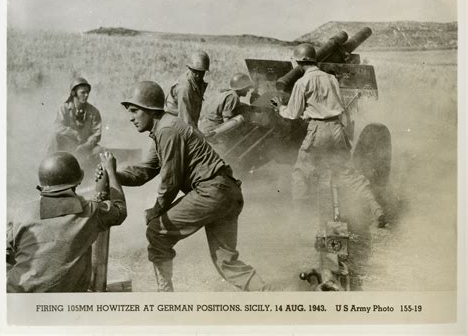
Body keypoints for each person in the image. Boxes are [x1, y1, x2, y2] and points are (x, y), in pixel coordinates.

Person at [108, 80, 270, 292]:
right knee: (226, 262)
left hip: (211, 191)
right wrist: (114, 174)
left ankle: (165, 297)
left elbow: (170, 180)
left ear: (149, 110)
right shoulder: (165, 129)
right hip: (227, 192)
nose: (131, 117)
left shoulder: (167, 129)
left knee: (157, 231)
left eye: (134, 111)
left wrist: (157, 210)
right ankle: (267, 294)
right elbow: (146, 171)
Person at [271, 43, 385, 227]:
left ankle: (297, 220)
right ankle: (376, 209)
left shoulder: (302, 82)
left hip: (317, 130)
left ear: (299, 63)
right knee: (349, 174)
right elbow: (334, 104)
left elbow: (292, 114)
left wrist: (280, 108)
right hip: (336, 128)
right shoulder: (331, 78)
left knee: (301, 173)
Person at [6, 151, 127, 292]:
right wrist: (111, 172)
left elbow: (6, 253)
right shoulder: (90, 211)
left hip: (17, 295)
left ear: (42, 183)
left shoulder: (22, 212)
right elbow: (120, 210)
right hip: (66, 300)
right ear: (80, 179)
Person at [48, 77, 103, 164]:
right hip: (68, 145)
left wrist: (86, 145)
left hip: (86, 146)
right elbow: (57, 127)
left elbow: (97, 134)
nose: (86, 95)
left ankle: (91, 174)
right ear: (74, 93)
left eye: (87, 92)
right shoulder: (64, 109)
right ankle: (51, 168)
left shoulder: (94, 112)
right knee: (54, 138)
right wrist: (74, 133)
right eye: (83, 92)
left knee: (99, 151)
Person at [198, 73, 253, 155]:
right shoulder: (233, 97)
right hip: (212, 131)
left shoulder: (224, 92)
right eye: (246, 88)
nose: (248, 90)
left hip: (201, 125)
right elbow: (227, 121)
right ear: (240, 89)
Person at [164, 50, 210, 130]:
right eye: (195, 71)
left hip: (183, 122)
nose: (198, 75)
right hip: (172, 125)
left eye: (201, 72)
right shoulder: (184, 88)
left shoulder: (198, 83)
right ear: (189, 68)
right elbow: (185, 120)